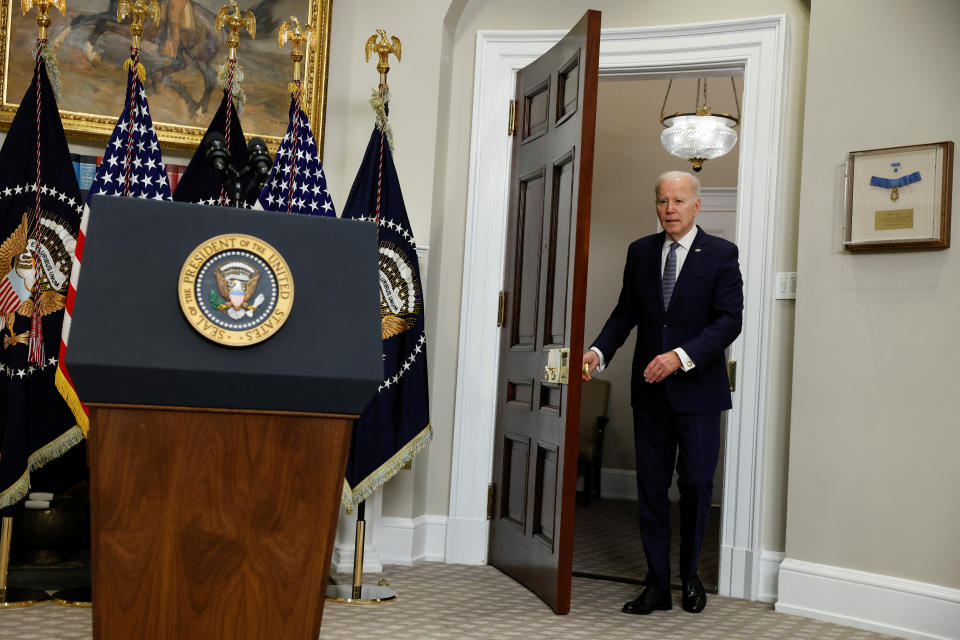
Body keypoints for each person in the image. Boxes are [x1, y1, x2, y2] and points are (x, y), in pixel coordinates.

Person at [582, 170, 743, 615]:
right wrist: (598, 350)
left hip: (699, 393)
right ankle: (656, 582)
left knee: (694, 485)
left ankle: (689, 574)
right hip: (649, 395)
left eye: (677, 201)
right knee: (651, 488)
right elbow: (625, 313)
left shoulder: (723, 254)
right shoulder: (641, 252)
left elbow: (730, 320)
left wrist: (680, 356)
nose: (669, 209)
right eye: (662, 201)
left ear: (696, 205)